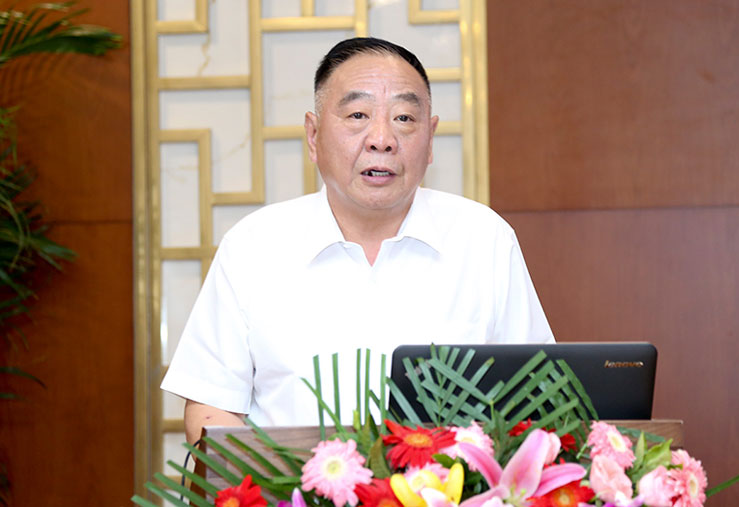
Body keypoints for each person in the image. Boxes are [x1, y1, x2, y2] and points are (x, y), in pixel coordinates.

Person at [162, 37, 554, 444]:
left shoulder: (484, 240)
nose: (381, 138)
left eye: (404, 118)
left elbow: (538, 398)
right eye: (358, 115)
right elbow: (212, 406)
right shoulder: (253, 247)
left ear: (430, 138)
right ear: (313, 135)